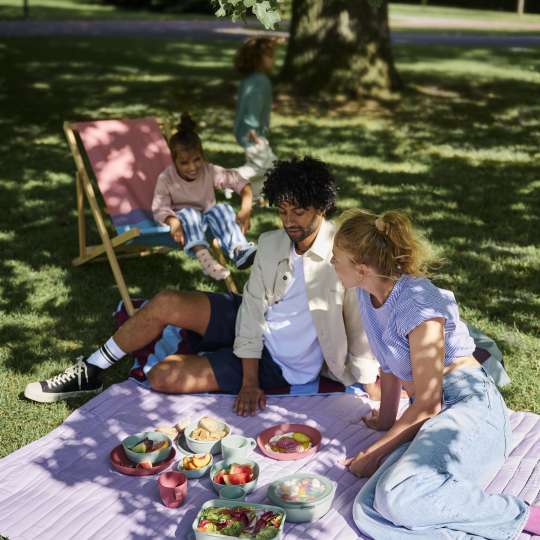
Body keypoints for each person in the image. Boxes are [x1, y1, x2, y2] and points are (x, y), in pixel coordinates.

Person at [23, 157, 380, 411]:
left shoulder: (343, 254)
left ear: (321, 207)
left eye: (298, 212)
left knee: (163, 376)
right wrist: (247, 379)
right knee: (164, 302)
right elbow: (253, 308)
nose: (289, 221)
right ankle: (92, 369)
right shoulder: (272, 242)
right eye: (282, 211)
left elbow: (360, 327)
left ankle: (201, 346)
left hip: (282, 363)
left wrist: (372, 390)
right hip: (249, 322)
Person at [331, 208, 539, 539]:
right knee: (369, 506)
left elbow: (428, 404)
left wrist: (373, 452)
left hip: (470, 407)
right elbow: (389, 366)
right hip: (432, 414)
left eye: (335, 257)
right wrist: (384, 424)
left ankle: (524, 515)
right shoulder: (366, 294)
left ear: (361, 269)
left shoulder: (417, 305)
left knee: (399, 497)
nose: (331, 263)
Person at [152, 112, 256, 281]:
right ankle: (206, 259)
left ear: (203, 156)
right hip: (186, 222)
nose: (192, 167)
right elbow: (159, 208)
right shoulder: (166, 178)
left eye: (197, 160)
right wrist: (172, 221)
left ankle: (240, 250)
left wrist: (245, 209)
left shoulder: (209, 171)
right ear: (174, 161)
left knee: (222, 209)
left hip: (209, 219)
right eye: (184, 163)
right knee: (189, 213)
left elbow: (242, 183)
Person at [228, 36, 278, 202]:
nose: (273, 60)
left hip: (245, 130)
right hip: (252, 131)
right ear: (259, 59)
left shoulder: (250, 79)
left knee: (261, 164)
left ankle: (256, 195)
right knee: (266, 165)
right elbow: (253, 106)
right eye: (270, 56)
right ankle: (230, 178)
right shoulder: (261, 81)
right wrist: (253, 130)